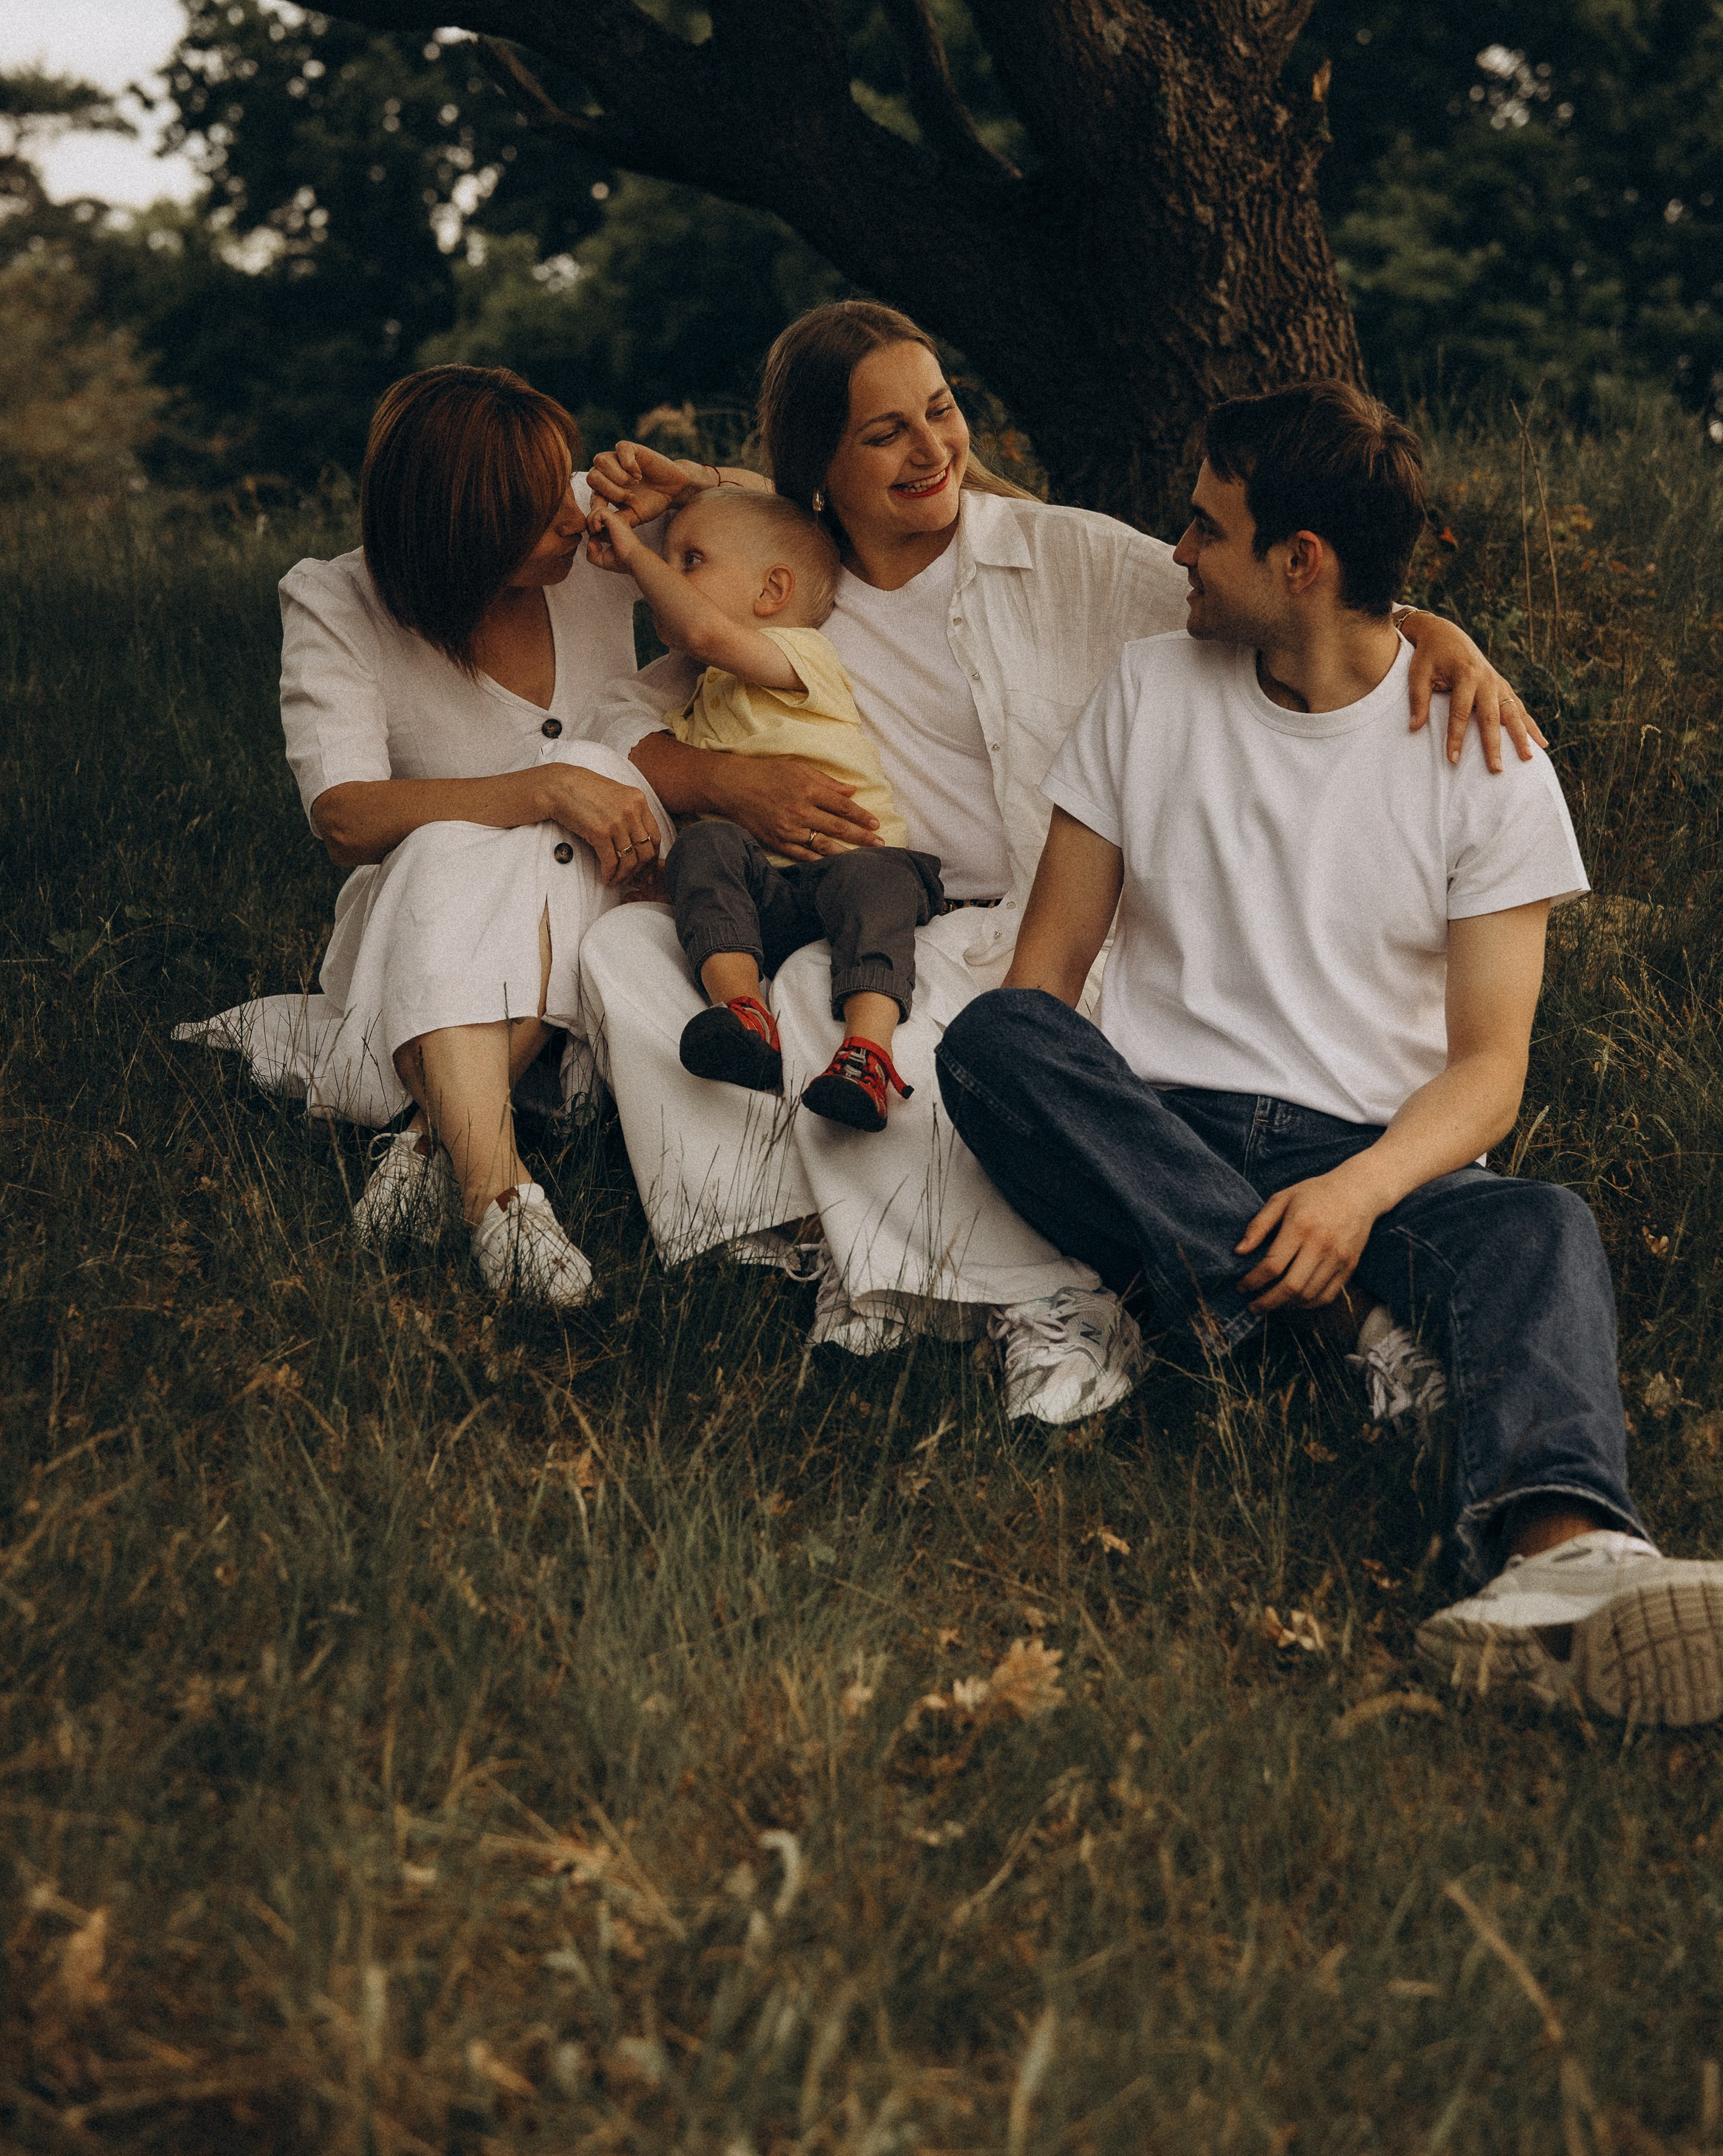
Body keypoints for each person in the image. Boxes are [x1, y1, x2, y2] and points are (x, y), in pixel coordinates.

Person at [579, 301, 1541, 1428]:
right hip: (884, 911)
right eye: (884, 432)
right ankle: (819, 1240)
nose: (933, 448)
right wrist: (721, 784)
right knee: (646, 960)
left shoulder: (1059, 553)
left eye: (941, 412)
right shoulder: (787, 583)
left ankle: (1053, 1297)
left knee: (937, 1054)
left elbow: (1294, 597)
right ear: (817, 471)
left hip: (1059, 923)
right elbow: (617, 717)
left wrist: (1439, 633)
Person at [934, 380, 1723, 1726]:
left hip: (1379, 1156)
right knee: (999, 1041)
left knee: (1540, 1226)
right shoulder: (1149, 685)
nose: (1176, 549)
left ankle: (1559, 1562)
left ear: (1299, 563)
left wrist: (1355, 1197)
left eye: (1204, 527)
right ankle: (1345, 1331)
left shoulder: (1486, 759)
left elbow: (1488, 1071)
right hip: (1165, 1122)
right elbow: (1047, 983)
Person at [177, 364, 665, 1310]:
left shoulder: (592, 529)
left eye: (561, 482)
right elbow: (347, 817)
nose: (568, 516)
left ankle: (436, 1145)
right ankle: (503, 1198)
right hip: (424, 921)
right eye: (535, 510)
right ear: (458, 535)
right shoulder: (336, 601)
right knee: (458, 839)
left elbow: (801, 523)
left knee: (604, 789)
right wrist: (540, 788)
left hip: (610, 890)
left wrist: (696, 486)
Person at [585, 483, 944, 1129]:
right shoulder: (699, 699)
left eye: (690, 559)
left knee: (880, 877)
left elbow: (700, 628)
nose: (671, 573)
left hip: (850, 867)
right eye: (670, 559)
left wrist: (638, 558)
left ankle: (867, 1050)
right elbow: (693, 815)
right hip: (766, 899)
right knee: (704, 847)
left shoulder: (800, 652)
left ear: (771, 593)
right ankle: (744, 1014)